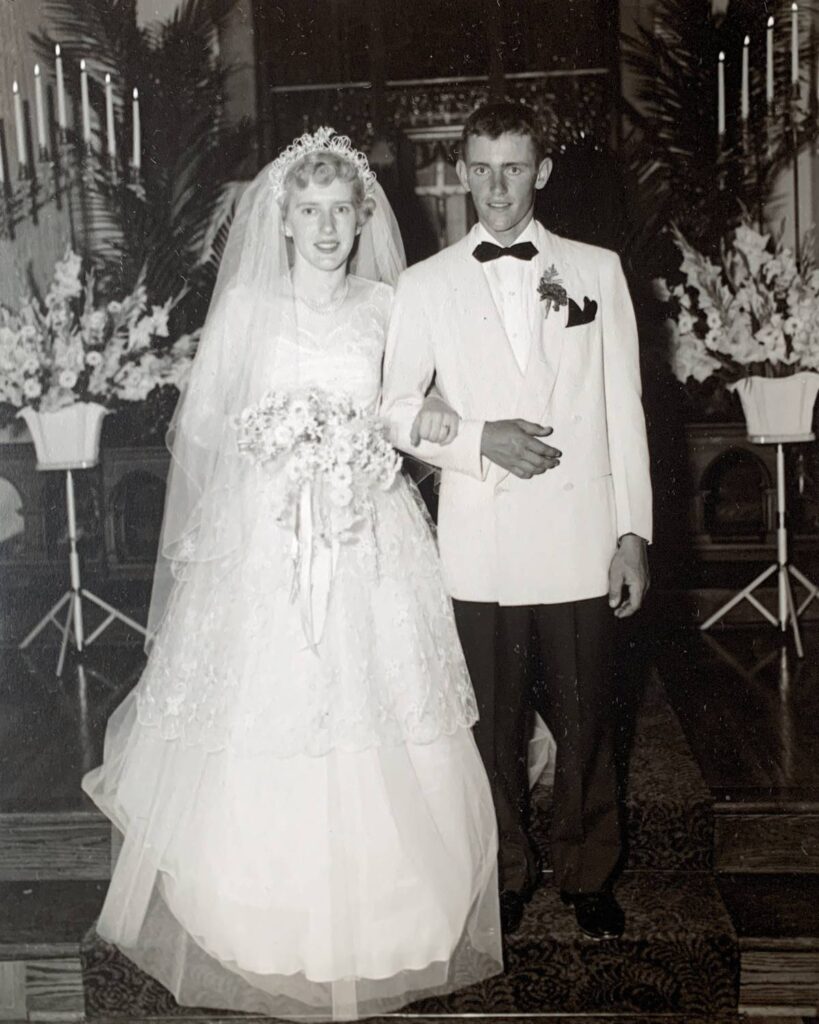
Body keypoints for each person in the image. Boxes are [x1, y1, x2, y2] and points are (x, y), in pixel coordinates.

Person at [82, 128, 503, 1021]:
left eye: (339, 212)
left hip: (366, 532)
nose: (324, 228)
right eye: (306, 212)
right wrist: (276, 450)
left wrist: (371, 443)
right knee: (270, 704)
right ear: (281, 222)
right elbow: (206, 429)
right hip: (269, 540)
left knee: (378, 701)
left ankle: (396, 910)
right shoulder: (246, 312)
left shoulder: (389, 306)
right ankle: (258, 910)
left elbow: (410, 410)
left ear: (362, 219)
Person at [381, 102, 652, 940]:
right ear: (461, 171)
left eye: (514, 168)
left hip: (579, 533)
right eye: (482, 168)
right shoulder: (424, 285)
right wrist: (475, 440)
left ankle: (586, 871)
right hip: (481, 539)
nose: (497, 187)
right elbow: (392, 411)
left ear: (540, 172)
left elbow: (625, 410)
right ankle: (505, 868)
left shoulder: (596, 271)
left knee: (586, 715)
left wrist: (632, 534)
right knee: (488, 722)